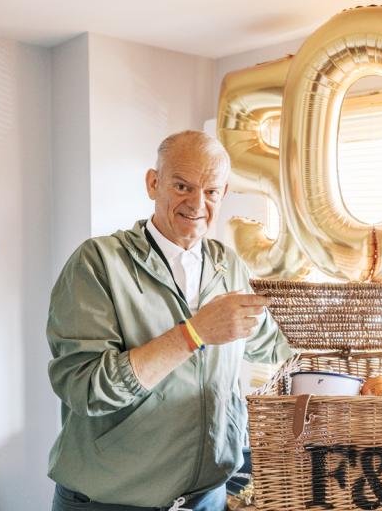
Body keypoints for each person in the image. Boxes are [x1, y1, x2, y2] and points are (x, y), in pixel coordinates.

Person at [46, 130, 291, 511]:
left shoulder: (230, 266)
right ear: (153, 182)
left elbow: (275, 350)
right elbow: (87, 389)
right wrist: (194, 333)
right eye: (182, 186)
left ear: (223, 195)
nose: (197, 203)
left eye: (211, 191)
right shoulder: (97, 263)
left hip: (207, 498)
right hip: (110, 501)